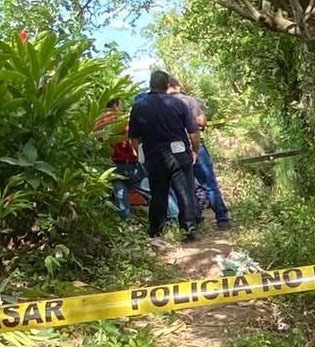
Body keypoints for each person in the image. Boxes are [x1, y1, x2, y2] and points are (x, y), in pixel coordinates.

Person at [129, 71, 201, 241]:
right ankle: (189, 229)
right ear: (167, 85)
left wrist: (140, 155)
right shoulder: (177, 104)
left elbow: (133, 137)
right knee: (185, 193)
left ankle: (156, 231)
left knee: (158, 194)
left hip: (154, 156)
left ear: (150, 84)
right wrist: (194, 151)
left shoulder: (139, 106)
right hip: (179, 153)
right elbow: (194, 131)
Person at [93, 99, 179, 222]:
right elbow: (136, 138)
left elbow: (95, 141)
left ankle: (126, 224)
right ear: (116, 105)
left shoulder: (99, 124)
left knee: (121, 196)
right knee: (154, 190)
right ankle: (174, 218)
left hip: (112, 167)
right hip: (130, 165)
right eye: (121, 105)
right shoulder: (123, 121)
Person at [168, 78, 233, 230]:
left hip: (175, 150)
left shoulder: (161, 105)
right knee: (209, 183)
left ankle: (194, 221)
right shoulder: (189, 100)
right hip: (195, 145)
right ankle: (222, 218)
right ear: (177, 86)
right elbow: (201, 121)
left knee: (184, 187)